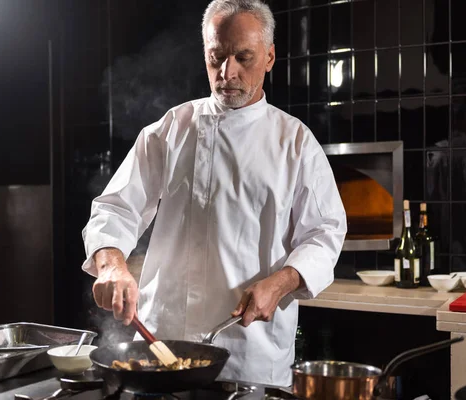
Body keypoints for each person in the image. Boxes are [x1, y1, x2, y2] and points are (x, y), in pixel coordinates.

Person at [80, 0, 346, 387]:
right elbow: (115, 208)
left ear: (269, 57)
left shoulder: (295, 143)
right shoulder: (172, 128)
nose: (228, 72)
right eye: (216, 57)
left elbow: (325, 233)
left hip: (250, 355)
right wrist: (112, 265)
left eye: (243, 57)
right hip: (160, 345)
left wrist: (282, 281)